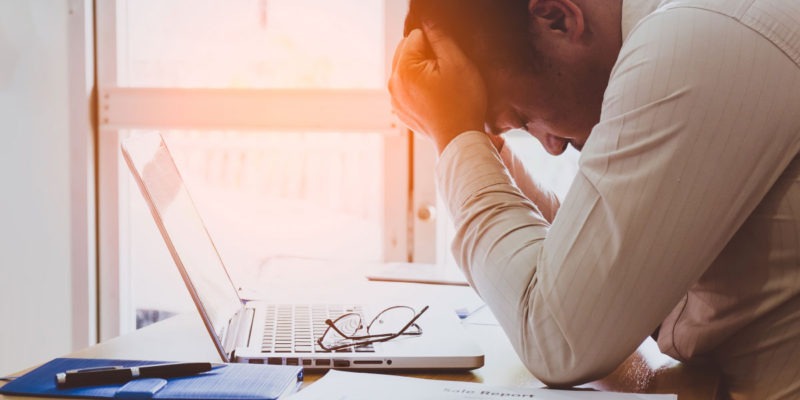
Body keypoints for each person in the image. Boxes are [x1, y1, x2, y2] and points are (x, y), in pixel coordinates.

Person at [388, 0, 800, 398]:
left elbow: (559, 340)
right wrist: (470, 141)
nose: (550, 146)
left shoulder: (690, 43)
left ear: (556, 17)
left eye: (522, 118)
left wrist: (456, 137)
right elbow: (592, 272)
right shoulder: (687, 33)